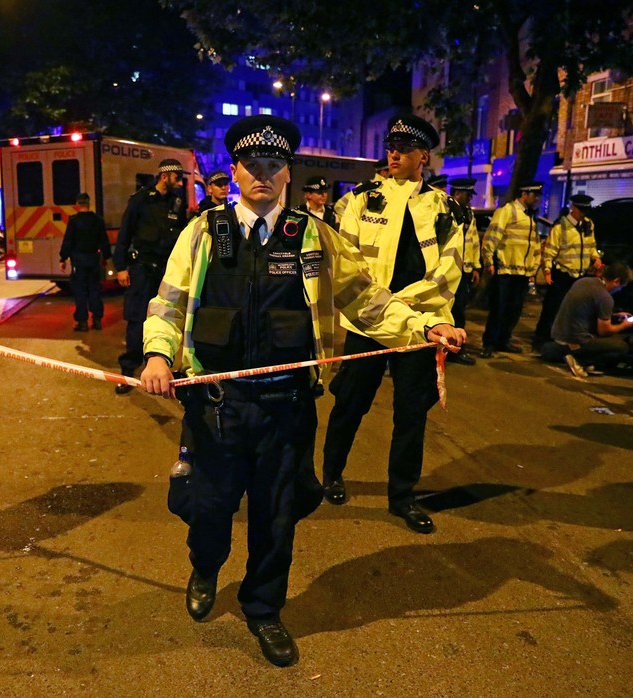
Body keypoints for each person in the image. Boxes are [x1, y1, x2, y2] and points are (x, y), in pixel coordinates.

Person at [139, 115, 465, 668]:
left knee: (276, 517)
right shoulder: (203, 231)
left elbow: (366, 300)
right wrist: (157, 354)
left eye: (274, 165)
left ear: (287, 172)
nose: (262, 174)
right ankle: (205, 568)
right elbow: (168, 304)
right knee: (208, 508)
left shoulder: (314, 235)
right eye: (252, 165)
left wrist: (424, 326)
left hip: (285, 408)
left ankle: (264, 608)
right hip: (217, 407)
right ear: (235, 171)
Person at [321, 114, 464, 535]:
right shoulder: (359, 201)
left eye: (404, 149)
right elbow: (346, 263)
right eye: (390, 148)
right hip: (367, 323)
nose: (394, 154)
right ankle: (330, 474)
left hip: (420, 326)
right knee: (349, 404)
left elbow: (448, 273)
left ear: (424, 156)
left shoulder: (446, 209)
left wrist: (404, 308)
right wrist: (382, 306)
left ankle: (402, 497)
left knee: (411, 415)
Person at [113, 158, 188, 394]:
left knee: (166, 316)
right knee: (137, 319)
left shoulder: (177, 202)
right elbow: (125, 234)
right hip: (142, 269)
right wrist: (121, 267)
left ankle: (157, 367)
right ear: (164, 176)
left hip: (165, 270)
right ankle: (128, 372)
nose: (180, 182)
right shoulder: (140, 200)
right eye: (177, 177)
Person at [479, 181, 544, 358]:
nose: (537, 199)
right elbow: (491, 237)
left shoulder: (529, 216)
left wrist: (533, 268)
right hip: (505, 270)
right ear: (524, 194)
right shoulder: (507, 211)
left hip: (522, 272)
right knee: (499, 309)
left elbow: (534, 245)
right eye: (534, 195)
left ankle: (503, 340)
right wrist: (488, 261)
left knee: (514, 310)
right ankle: (489, 343)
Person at [539, 262, 633, 376]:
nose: (619, 290)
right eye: (621, 287)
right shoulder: (605, 297)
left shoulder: (583, 282)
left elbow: (585, 308)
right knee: (621, 347)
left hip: (559, 335)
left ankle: (558, 351)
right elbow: (604, 331)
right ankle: (581, 361)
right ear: (616, 281)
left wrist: (613, 315)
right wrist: (623, 325)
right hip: (577, 340)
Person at [533, 194, 600, 347]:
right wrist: (547, 270)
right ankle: (542, 340)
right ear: (573, 208)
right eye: (581, 210)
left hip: (580, 274)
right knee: (553, 308)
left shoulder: (588, 225)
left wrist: (595, 257)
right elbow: (550, 251)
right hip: (563, 273)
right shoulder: (561, 226)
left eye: (586, 210)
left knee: (575, 310)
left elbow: (591, 245)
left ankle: (565, 338)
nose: (583, 214)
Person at [60, 192, 111, 331]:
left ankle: (82, 322)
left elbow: (68, 241)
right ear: (89, 203)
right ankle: (97, 320)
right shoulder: (98, 220)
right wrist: (105, 257)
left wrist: (63, 258)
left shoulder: (74, 221)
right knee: (95, 289)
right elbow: (104, 241)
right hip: (94, 259)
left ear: (77, 204)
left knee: (80, 291)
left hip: (79, 261)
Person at [447, 177, 481, 365]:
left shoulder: (468, 213)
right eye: (467, 195)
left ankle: (456, 350)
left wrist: (475, 267)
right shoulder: (445, 209)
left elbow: (473, 242)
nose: (470, 199)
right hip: (446, 270)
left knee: (459, 311)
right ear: (457, 193)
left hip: (463, 271)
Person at [333, 157, 389, 225]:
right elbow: (339, 205)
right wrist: (349, 225)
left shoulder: (394, 189)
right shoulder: (366, 187)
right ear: (383, 172)